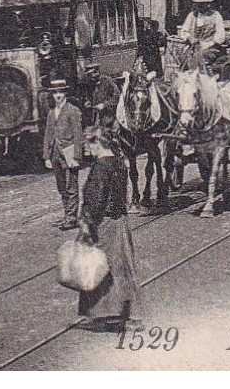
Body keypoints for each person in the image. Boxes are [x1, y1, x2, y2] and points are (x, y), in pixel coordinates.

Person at [75, 124, 138, 333]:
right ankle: (124, 313)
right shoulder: (119, 163)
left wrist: (87, 221)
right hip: (120, 220)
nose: (87, 150)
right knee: (121, 267)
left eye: (88, 145)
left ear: (97, 143)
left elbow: (96, 198)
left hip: (104, 224)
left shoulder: (101, 166)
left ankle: (109, 315)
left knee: (100, 268)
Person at [43, 78, 84, 231]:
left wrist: (77, 156)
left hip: (68, 153)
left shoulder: (72, 111)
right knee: (62, 188)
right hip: (55, 154)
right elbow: (48, 134)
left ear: (65, 93)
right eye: (55, 93)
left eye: (60, 92)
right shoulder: (51, 113)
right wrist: (46, 156)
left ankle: (71, 218)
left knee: (71, 187)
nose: (58, 95)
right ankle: (67, 214)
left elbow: (78, 135)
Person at [177, 0, 227, 66]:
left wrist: (208, 44)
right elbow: (184, 31)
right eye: (198, 3)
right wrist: (189, 37)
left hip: (211, 46)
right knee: (183, 56)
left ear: (208, 4)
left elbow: (220, 35)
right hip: (193, 46)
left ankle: (201, 76)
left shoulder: (216, 15)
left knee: (203, 55)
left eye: (202, 4)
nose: (199, 6)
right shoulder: (192, 15)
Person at [79, 62, 120, 129]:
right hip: (96, 116)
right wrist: (88, 102)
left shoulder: (108, 81)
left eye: (92, 75)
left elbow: (117, 96)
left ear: (97, 73)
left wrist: (104, 105)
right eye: (89, 76)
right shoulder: (90, 83)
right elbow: (89, 96)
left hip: (110, 115)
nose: (91, 78)